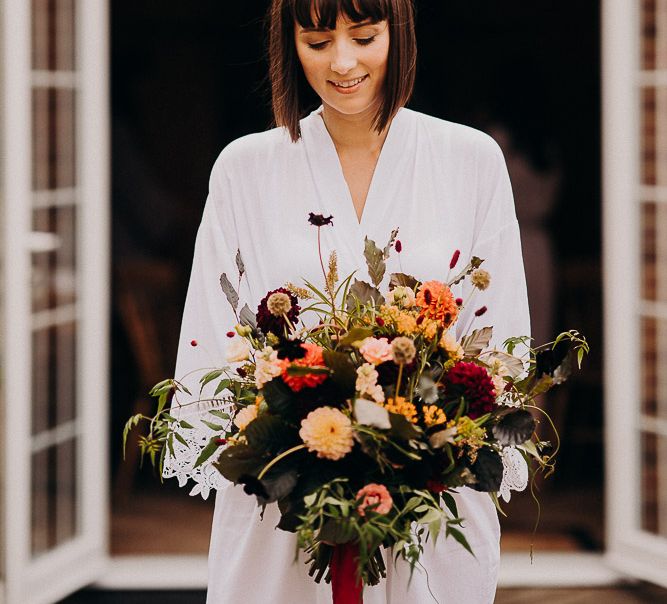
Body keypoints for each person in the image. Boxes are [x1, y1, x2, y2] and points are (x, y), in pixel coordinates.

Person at [163, 0, 530, 602]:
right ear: (289, 45)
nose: (342, 62)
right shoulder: (245, 169)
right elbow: (215, 343)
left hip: (428, 503)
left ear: (399, 33)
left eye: (364, 36)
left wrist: (428, 443)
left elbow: (498, 347)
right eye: (316, 41)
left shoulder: (471, 160)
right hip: (282, 501)